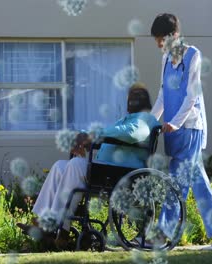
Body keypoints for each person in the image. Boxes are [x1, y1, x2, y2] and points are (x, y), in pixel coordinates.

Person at [17, 83, 160, 248]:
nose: (130, 101)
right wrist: (83, 138)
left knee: (76, 165)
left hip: (119, 173)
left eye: (133, 98)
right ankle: (39, 222)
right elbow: (110, 133)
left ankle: (56, 228)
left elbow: (132, 133)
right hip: (104, 169)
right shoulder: (127, 120)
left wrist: (94, 136)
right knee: (60, 166)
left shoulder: (145, 120)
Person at [149, 13, 212, 249]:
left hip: (189, 127)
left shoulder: (193, 55)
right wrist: (148, 122)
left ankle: (162, 235)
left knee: (177, 179)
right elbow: (162, 96)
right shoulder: (165, 60)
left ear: (174, 35)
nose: (158, 44)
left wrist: (175, 122)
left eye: (161, 39)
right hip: (173, 131)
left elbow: (191, 96)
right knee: (198, 180)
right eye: (156, 40)